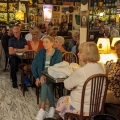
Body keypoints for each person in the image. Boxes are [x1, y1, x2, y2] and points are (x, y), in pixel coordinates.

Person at [56, 42, 105, 119]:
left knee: (61, 101)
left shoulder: (81, 71)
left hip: (82, 108)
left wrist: (73, 87)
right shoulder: (101, 68)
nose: (78, 54)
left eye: (80, 52)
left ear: (88, 53)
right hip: (97, 107)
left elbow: (67, 85)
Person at [31, 36, 62, 120]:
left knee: (44, 81)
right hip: (42, 76)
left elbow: (56, 67)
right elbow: (34, 65)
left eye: (47, 42)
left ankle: (42, 108)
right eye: (43, 42)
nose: (44, 44)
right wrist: (37, 77)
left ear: (52, 43)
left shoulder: (58, 53)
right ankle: (52, 106)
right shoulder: (41, 51)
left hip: (53, 76)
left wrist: (45, 74)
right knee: (45, 83)